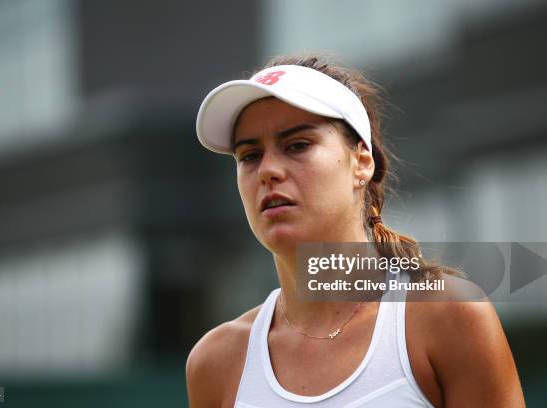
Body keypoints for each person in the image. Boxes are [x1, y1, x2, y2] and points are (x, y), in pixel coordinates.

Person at [186, 54, 525, 407]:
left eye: (297, 145)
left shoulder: (448, 315)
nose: (268, 170)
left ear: (362, 162)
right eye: (249, 156)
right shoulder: (216, 362)